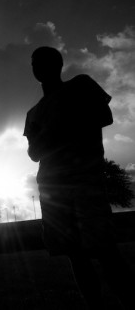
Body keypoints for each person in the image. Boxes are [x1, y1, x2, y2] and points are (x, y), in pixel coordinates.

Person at [24, 46, 134, 309]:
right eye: (34, 62)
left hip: (85, 180)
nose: (37, 65)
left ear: (59, 64)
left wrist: (53, 131)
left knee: (105, 249)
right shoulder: (33, 113)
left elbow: (104, 116)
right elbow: (33, 153)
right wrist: (55, 131)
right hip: (52, 188)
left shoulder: (80, 85)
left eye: (43, 60)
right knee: (74, 254)